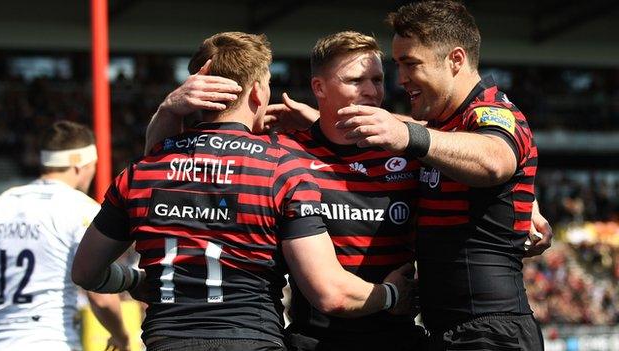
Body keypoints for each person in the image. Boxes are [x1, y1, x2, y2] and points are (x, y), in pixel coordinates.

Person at [143, 30, 553, 351]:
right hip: (315, 339)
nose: (372, 91)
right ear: (319, 88)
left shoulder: (407, 148)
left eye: (377, 79)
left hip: (401, 337)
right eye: (356, 80)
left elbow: (481, 150)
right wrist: (169, 109)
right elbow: (175, 167)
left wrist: (526, 200)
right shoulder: (284, 154)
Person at [71, 31, 413, 351]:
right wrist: (392, 295)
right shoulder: (282, 168)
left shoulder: (141, 173)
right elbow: (329, 292)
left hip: (166, 339)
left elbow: (85, 272)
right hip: (252, 337)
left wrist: (131, 280)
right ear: (257, 93)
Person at [335, 1, 546, 349]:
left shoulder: (494, 111)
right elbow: (418, 129)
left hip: (491, 333)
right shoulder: (442, 125)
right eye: (398, 64)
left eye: (411, 64)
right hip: (448, 332)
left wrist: (408, 137)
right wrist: (320, 119)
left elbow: (494, 160)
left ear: (456, 60)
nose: (400, 79)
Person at [0, 121, 130, 351]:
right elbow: (100, 296)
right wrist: (121, 337)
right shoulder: (80, 209)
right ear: (80, 166)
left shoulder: (2, 204)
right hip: (51, 339)